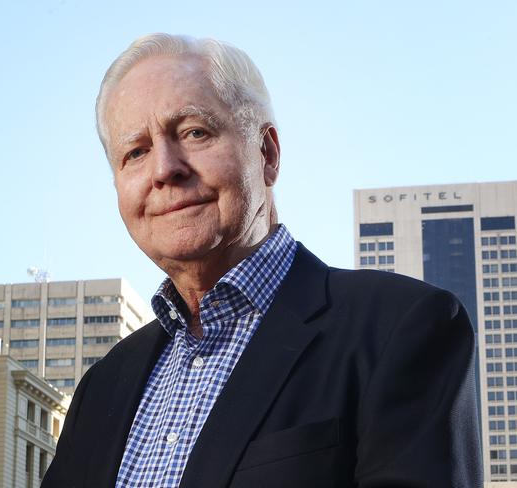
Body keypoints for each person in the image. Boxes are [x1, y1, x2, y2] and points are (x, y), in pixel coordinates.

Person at [42, 33, 481, 487]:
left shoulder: (400, 327)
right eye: (135, 152)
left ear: (267, 153)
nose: (163, 169)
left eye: (194, 132)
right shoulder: (100, 388)